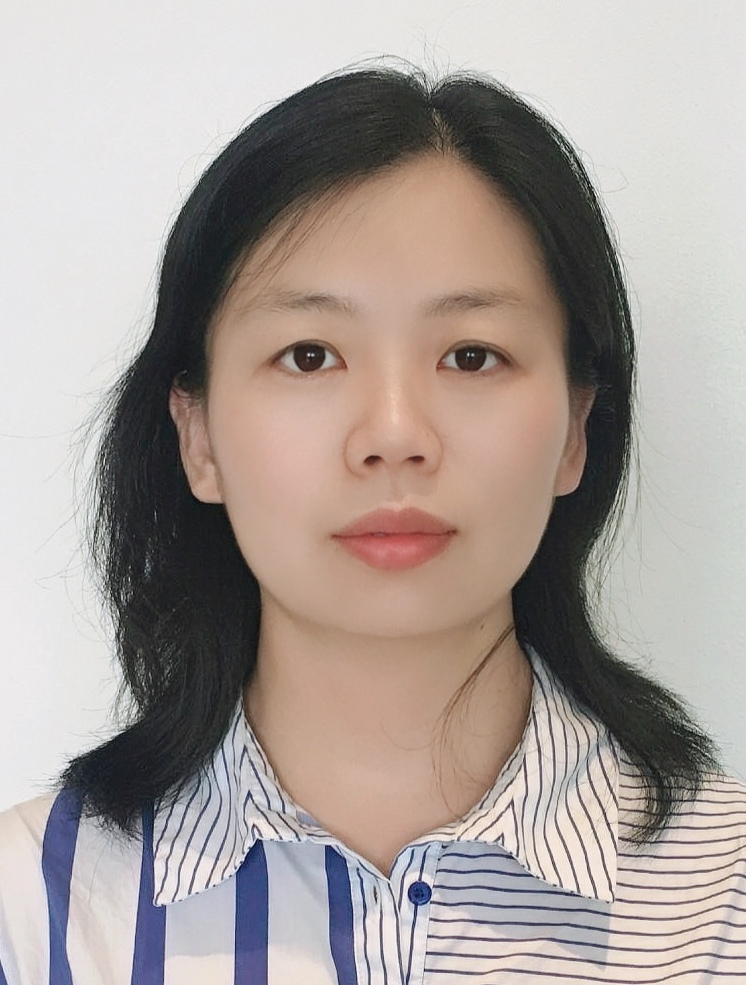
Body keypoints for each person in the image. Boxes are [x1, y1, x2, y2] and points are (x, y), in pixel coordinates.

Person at [0, 64, 744, 985]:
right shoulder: (29, 914)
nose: (394, 434)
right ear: (197, 436)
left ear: (576, 431)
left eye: (472, 356)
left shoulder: (727, 901)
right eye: (310, 355)